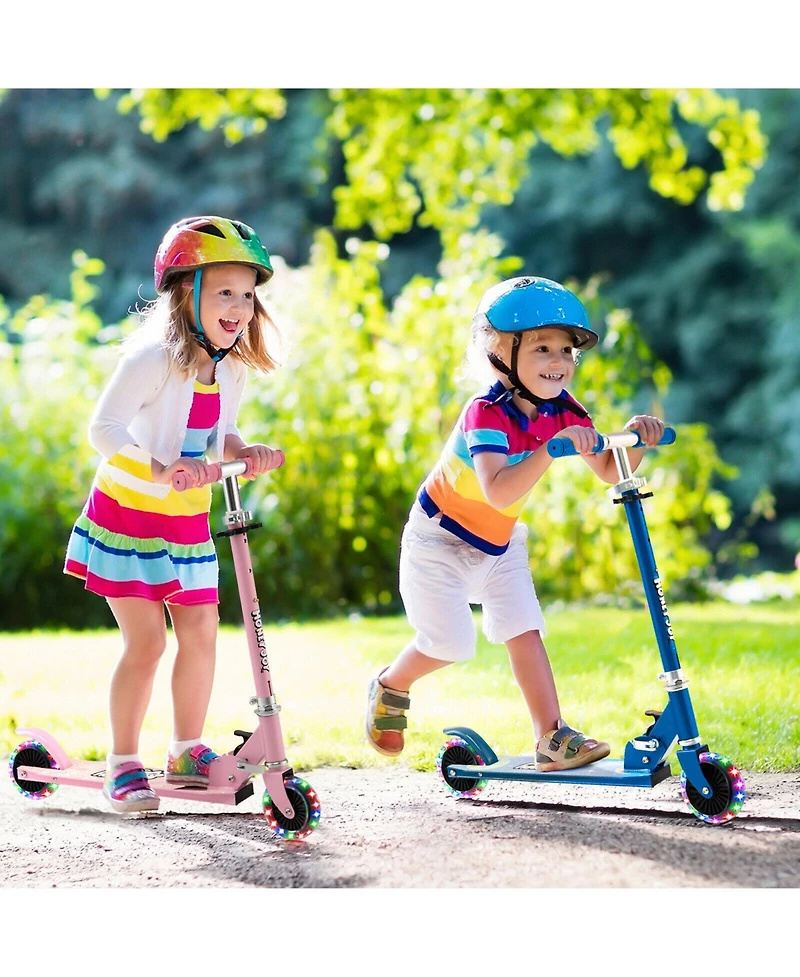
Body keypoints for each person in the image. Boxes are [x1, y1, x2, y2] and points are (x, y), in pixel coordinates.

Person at [365, 276, 665, 770]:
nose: (558, 362)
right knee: (450, 644)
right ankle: (391, 684)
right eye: (542, 348)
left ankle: (551, 735)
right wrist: (551, 449)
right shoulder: (485, 413)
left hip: (499, 543)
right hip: (438, 539)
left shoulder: (565, 411)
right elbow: (499, 488)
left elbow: (611, 472)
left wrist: (633, 437)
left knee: (525, 627)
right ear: (501, 354)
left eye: (567, 351)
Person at [64, 215, 284, 813]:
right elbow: (102, 429)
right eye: (225, 292)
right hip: (128, 515)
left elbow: (221, 435)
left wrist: (245, 453)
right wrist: (157, 469)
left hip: (187, 521)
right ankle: (123, 763)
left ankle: (186, 748)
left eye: (247, 293)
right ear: (187, 292)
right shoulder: (151, 359)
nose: (238, 306)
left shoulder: (230, 366)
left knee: (202, 636)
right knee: (147, 643)